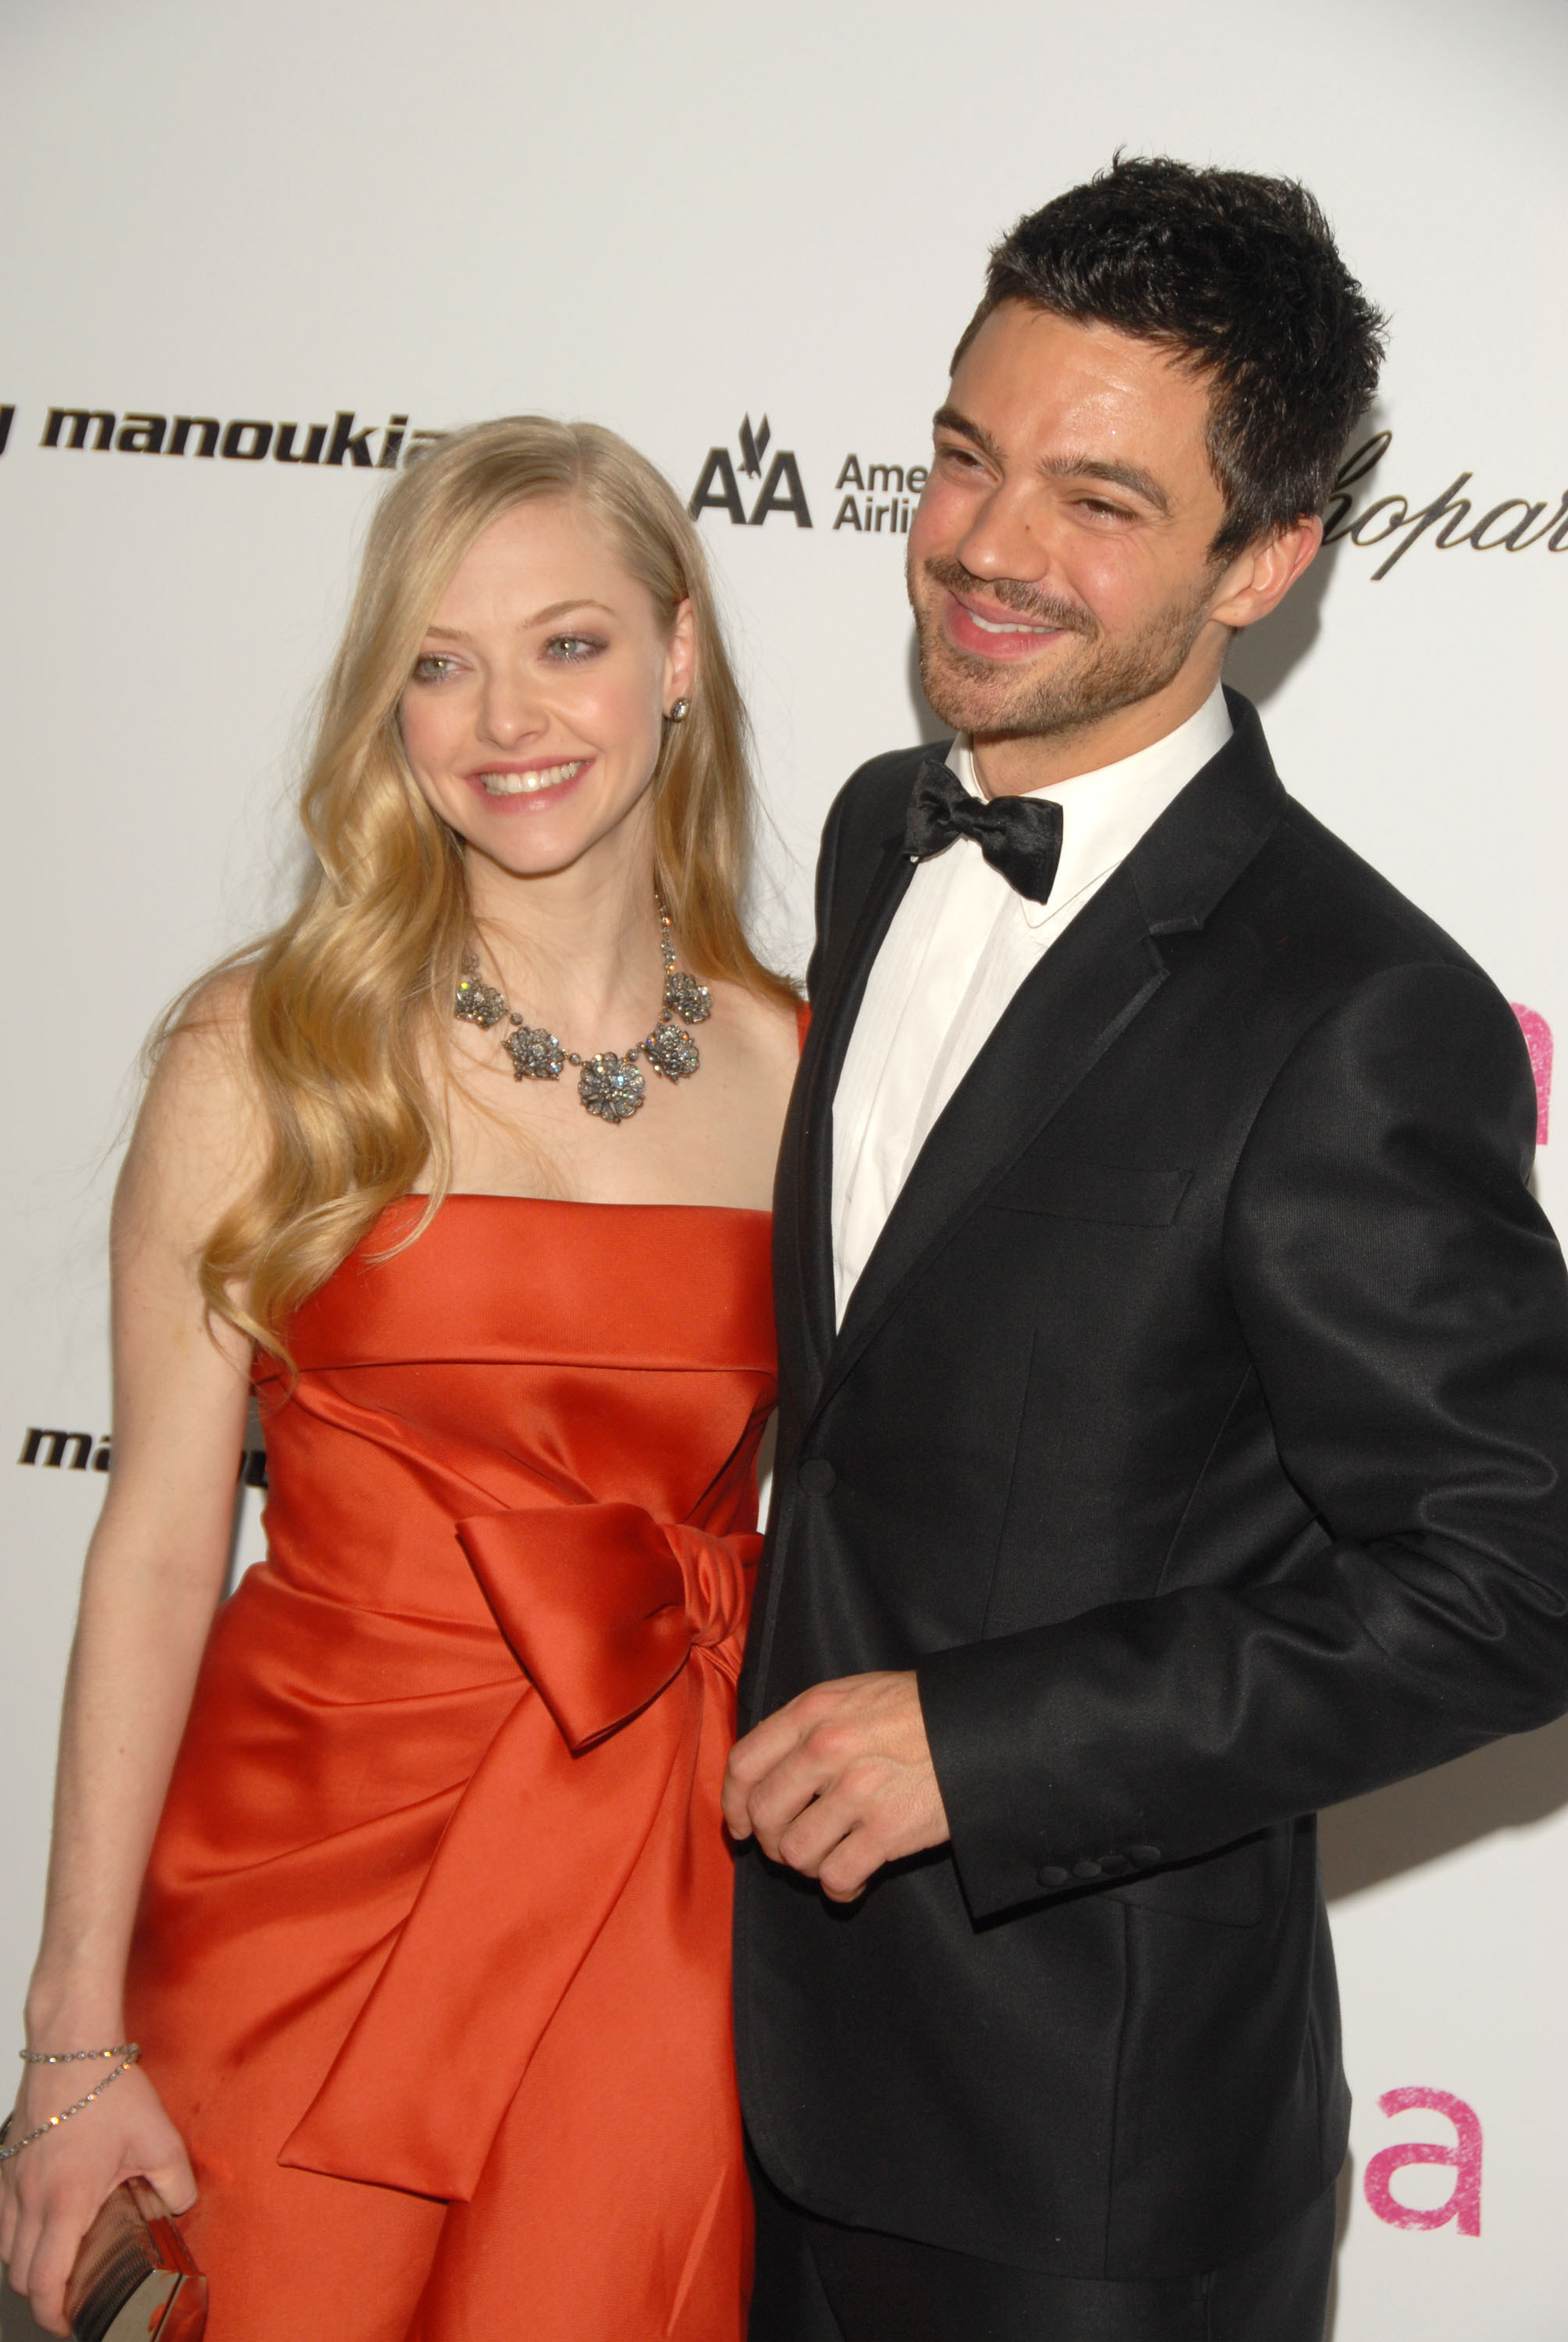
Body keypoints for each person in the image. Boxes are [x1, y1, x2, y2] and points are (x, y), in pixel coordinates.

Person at [724, 156, 1568, 2342]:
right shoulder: (871, 836)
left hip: (1077, 2167)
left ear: (1264, 560)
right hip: (751, 2061)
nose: (986, 549)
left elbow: (1517, 1572)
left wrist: (983, 1750)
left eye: (1098, 501)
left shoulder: (1358, 1014)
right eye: (964, 454)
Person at [1, 416, 802, 2342]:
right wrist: (68, 2039)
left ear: (678, 655)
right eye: (437, 662)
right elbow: (157, 1547)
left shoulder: (811, 1069)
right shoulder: (267, 1053)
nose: (503, 714)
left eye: (569, 642)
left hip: (661, 1914)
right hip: (293, 1894)